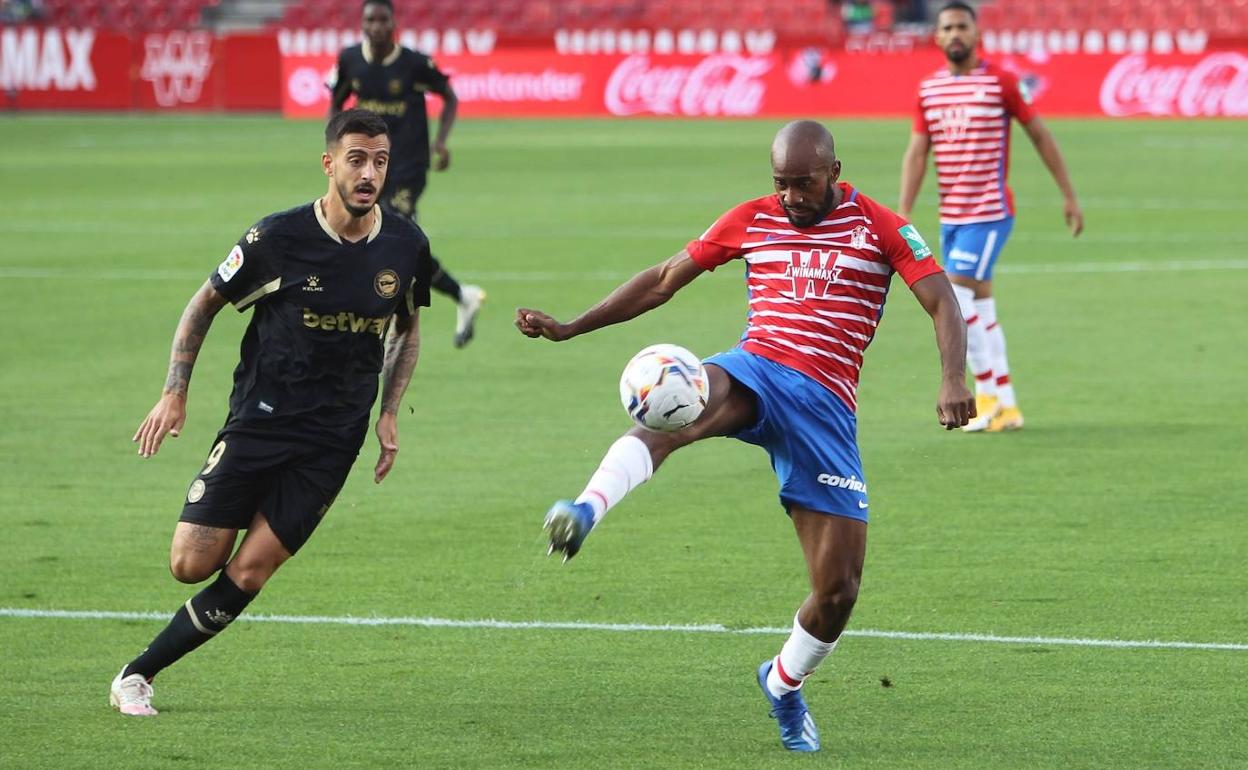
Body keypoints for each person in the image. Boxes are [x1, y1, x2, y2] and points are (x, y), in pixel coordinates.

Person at [516, 120, 973, 753]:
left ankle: (783, 683)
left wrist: (953, 377)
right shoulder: (753, 218)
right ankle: (585, 508)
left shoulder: (881, 226)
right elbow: (662, 278)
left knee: (837, 591)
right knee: (677, 403)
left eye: (803, 184)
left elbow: (941, 298)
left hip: (825, 409)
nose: (790, 196)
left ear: (834, 173)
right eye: (780, 183)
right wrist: (572, 327)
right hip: (756, 367)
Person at [109, 109, 433, 716]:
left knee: (253, 570)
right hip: (262, 419)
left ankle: (137, 675)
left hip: (334, 437)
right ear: (329, 163)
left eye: (380, 161)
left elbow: (408, 329)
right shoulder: (276, 239)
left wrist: (390, 411)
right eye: (357, 159)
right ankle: (249, 499)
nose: (369, 173)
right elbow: (203, 304)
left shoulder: (406, 244)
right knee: (190, 563)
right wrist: (175, 391)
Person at [899, 0, 1084, 432]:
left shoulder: (1000, 82)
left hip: (990, 213)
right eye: (947, 27)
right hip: (952, 217)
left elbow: (1039, 134)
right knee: (981, 305)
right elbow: (917, 151)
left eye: (962, 26)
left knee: (957, 301)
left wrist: (1068, 195)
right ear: (937, 36)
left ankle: (984, 397)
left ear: (977, 33)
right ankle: (1008, 403)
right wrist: (903, 210)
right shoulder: (929, 90)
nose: (955, 34)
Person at [329, 0, 485, 348]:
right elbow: (336, 100)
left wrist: (441, 143)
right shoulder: (350, 59)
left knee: (395, 234)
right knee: (383, 239)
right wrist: (337, 146)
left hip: (408, 166)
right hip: (367, 167)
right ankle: (462, 295)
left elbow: (449, 96)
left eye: (383, 20)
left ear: (393, 23)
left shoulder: (414, 63)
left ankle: (387, 323)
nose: (377, 26)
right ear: (363, 24)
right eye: (370, 20)